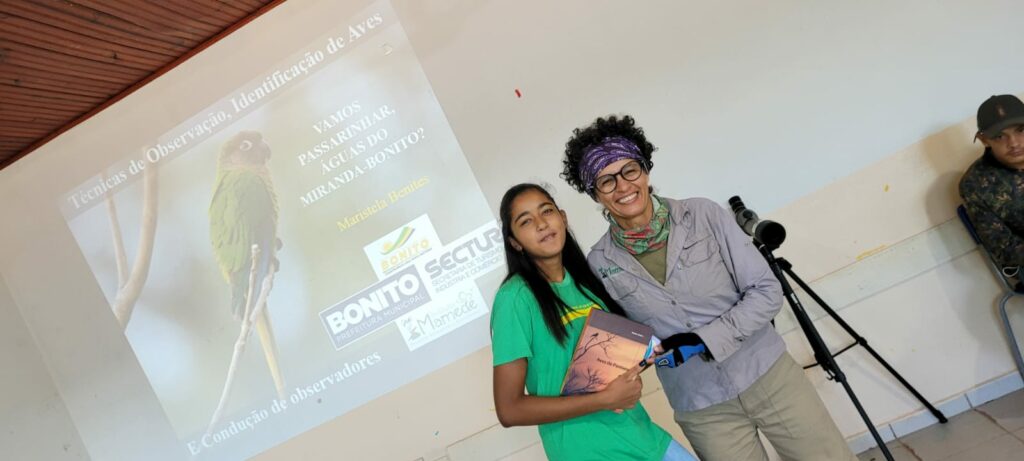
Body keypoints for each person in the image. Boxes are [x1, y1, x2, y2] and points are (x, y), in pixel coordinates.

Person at [560, 115, 856, 461]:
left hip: (770, 375)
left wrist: (704, 340)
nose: (623, 186)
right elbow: (619, 346)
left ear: (646, 169)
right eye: (606, 181)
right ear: (593, 193)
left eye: (630, 170)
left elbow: (766, 291)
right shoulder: (598, 263)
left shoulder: (703, 215)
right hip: (701, 407)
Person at [490, 183, 696, 461]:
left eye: (546, 211)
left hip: (642, 437)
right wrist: (603, 400)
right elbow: (509, 409)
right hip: (587, 452)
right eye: (526, 221)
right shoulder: (514, 298)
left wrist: (650, 354)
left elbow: (604, 367)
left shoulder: (586, 281)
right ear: (514, 241)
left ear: (562, 218)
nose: (541, 224)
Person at [959, 94, 1024, 280]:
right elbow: (1004, 247)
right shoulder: (976, 185)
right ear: (984, 139)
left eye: (1021, 130)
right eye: (1000, 136)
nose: (1014, 143)